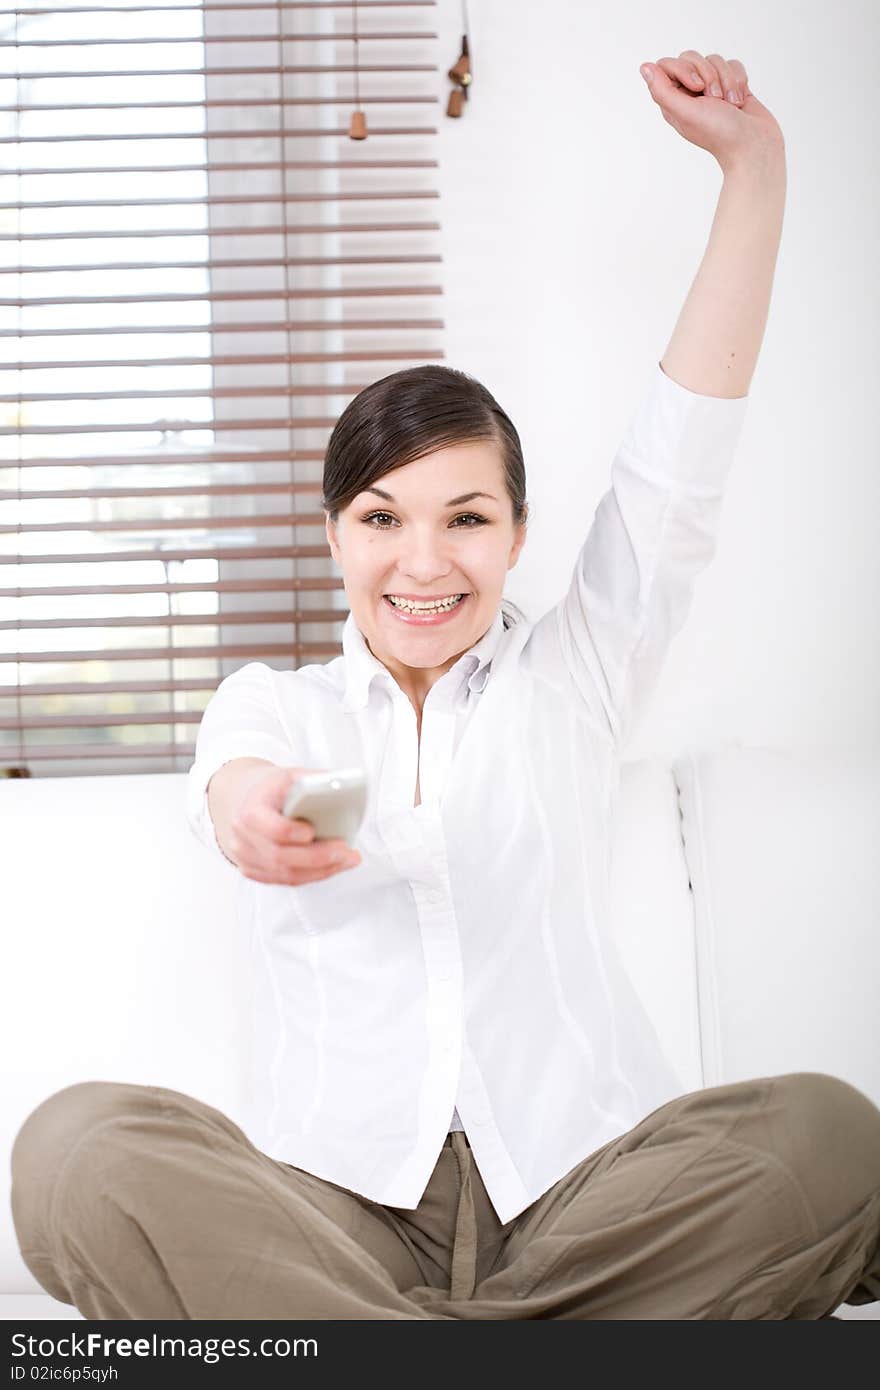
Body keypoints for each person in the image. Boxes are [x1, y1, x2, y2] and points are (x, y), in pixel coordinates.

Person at [11, 50, 880, 1321]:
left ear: (518, 534)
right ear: (334, 536)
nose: (423, 564)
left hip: (590, 1197)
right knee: (75, 1150)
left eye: (465, 517)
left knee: (826, 1131)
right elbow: (237, 789)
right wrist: (259, 814)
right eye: (381, 518)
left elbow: (679, 461)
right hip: (331, 1217)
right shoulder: (276, 702)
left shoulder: (579, 669)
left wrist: (755, 172)